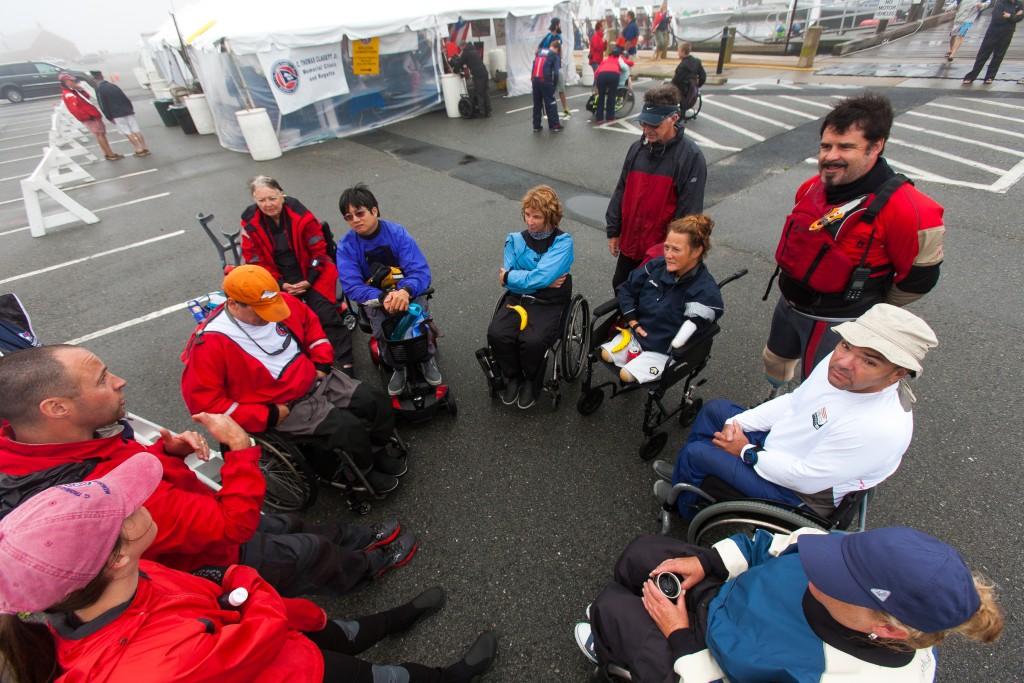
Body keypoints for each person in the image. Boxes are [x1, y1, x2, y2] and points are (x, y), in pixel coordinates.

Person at [0, 453, 500, 683]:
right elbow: (261, 624)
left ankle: (396, 618)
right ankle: (451, 675)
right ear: (118, 554)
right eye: (129, 507)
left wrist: (221, 583)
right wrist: (235, 578)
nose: (144, 501)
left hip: (285, 635)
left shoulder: (112, 586)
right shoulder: (155, 666)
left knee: (345, 629)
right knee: (386, 677)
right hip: (294, 667)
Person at [0, 344, 413, 598]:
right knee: (307, 554)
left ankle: (358, 538)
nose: (120, 381)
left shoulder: (48, 446)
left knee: (291, 524)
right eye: (103, 379)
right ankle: (365, 570)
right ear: (56, 408)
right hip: (213, 552)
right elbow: (231, 526)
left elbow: (122, 458)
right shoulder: (95, 494)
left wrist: (169, 452)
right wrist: (238, 448)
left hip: (196, 515)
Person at [573, 527, 1003, 682]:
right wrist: (708, 561)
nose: (816, 568)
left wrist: (680, 635)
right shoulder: (851, 558)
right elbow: (780, 545)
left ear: (889, 628)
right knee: (640, 553)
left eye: (836, 581)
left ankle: (609, 642)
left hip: (706, 660)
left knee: (611, 607)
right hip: (725, 599)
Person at [655, 304, 937, 519]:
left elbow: (805, 477)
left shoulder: (879, 427)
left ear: (896, 374)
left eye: (869, 361)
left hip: (799, 492)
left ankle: (683, 505)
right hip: (783, 449)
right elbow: (795, 401)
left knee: (697, 454)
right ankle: (690, 479)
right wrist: (736, 423)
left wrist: (746, 451)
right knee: (718, 412)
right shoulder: (840, 366)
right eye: (846, 345)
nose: (843, 361)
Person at [761, 94, 944, 394]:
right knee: (775, 360)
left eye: (846, 147)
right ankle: (772, 398)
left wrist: (870, 311)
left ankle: (804, 428)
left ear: (876, 146)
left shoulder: (913, 210)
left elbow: (919, 280)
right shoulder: (810, 189)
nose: (830, 156)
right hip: (790, 304)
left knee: (822, 388)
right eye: (825, 146)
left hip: (839, 321)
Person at [182, 265, 409, 499]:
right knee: (346, 428)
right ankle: (363, 471)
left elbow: (311, 325)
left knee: (375, 401)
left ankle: (377, 449)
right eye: (260, 311)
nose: (269, 315)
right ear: (233, 304)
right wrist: (266, 415)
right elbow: (205, 404)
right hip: (281, 405)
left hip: (315, 378)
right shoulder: (209, 343)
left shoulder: (279, 301)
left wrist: (321, 362)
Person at [240, 176, 355, 374]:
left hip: (311, 272)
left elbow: (319, 251)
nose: (268, 204)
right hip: (277, 279)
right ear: (254, 200)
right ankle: (301, 364)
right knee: (281, 320)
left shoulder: (300, 214)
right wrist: (280, 283)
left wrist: (308, 281)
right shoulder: (249, 221)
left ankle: (346, 361)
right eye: (261, 200)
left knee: (326, 315)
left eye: (272, 198)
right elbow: (255, 260)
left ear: (281, 194)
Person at [336, 184, 441, 396]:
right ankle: (397, 367)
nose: (355, 220)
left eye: (360, 213)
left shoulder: (397, 233)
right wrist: (383, 297)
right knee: (383, 329)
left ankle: (427, 358)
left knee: (418, 322)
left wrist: (404, 292)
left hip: (408, 293)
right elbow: (352, 285)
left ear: (374, 210)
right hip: (376, 298)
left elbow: (419, 271)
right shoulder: (346, 246)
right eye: (349, 217)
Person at [606, 84, 707, 290]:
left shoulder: (690, 157)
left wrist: (672, 253)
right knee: (621, 287)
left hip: (661, 251)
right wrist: (614, 230)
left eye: (654, 125)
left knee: (650, 300)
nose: (647, 130)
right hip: (630, 244)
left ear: (674, 118)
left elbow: (689, 216)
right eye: (644, 123)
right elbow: (621, 190)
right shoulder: (637, 149)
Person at [601, 215, 722, 385]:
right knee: (604, 354)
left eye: (676, 250)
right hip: (637, 335)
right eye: (666, 247)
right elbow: (627, 289)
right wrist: (633, 320)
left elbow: (696, 325)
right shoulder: (656, 266)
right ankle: (635, 358)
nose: (668, 255)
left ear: (696, 251)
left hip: (663, 351)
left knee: (625, 375)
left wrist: (677, 345)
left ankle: (637, 365)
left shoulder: (705, 290)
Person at [487, 185, 573, 410]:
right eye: (527, 214)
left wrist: (514, 277)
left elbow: (513, 275)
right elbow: (537, 276)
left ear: (550, 217)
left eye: (537, 216)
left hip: (550, 302)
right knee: (497, 333)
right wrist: (540, 280)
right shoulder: (514, 239)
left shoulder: (563, 242)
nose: (530, 221)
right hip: (519, 298)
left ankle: (531, 380)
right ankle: (513, 376)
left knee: (532, 340)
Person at [58, 72, 121, 161]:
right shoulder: (69, 94)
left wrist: (81, 90)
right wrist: (88, 117)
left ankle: (109, 153)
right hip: (90, 117)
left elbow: (86, 97)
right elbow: (75, 109)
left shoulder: (73, 91)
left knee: (101, 134)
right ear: (66, 81)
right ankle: (109, 154)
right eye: (71, 81)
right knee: (100, 134)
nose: (73, 82)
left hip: (92, 115)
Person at [962, 0, 1024, 84]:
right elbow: (997, 17)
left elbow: (1019, 18)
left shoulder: (1019, 4)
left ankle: (990, 77)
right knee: (983, 54)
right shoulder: (1000, 2)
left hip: (1008, 33)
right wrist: (1014, 15)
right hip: (993, 32)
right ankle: (972, 76)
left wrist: (1009, 16)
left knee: (999, 56)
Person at [90, 70, 149, 157]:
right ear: (102, 76)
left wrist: (108, 116)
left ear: (94, 79)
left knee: (127, 131)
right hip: (127, 110)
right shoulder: (113, 86)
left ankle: (138, 148)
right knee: (135, 129)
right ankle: (144, 147)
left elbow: (103, 105)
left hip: (116, 113)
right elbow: (125, 98)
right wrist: (130, 108)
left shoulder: (99, 89)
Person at [531, 40, 563, 132]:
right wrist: (554, 85)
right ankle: (554, 125)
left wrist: (532, 79)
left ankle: (536, 126)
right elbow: (556, 73)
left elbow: (534, 66)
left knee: (537, 103)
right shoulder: (554, 55)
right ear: (557, 48)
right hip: (545, 80)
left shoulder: (539, 51)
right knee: (551, 102)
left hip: (535, 80)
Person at [451, 43, 491, 117]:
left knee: (480, 93)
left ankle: (482, 112)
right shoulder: (474, 50)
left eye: (460, 49)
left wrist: (455, 70)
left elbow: (459, 63)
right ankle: (488, 111)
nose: (461, 50)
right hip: (484, 72)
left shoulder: (466, 52)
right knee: (485, 92)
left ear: (462, 46)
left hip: (478, 74)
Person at [670, 41, 706, 112]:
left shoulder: (682, 66)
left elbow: (676, 81)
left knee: (665, 88)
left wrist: (668, 85)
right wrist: (697, 85)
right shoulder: (697, 61)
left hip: (683, 90)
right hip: (692, 88)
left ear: (683, 52)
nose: (678, 53)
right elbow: (703, 76)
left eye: (678, 51)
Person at [593, 47, 625, 123]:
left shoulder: (605, 60)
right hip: (614, 75)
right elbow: (627, 65)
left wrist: (596, 84)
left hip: (602, 75)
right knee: (611, 97)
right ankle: (610, 117)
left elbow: (596, 72)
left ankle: (599, 118)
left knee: (601, 97)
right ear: (619, 55)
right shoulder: (619, 59)